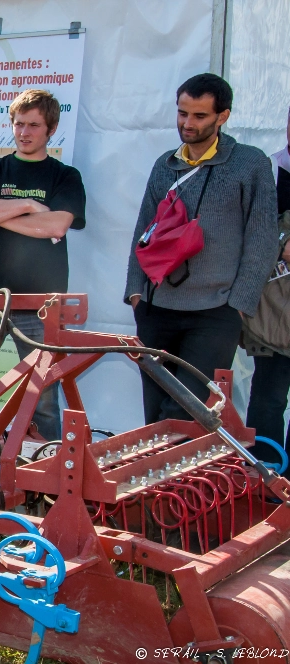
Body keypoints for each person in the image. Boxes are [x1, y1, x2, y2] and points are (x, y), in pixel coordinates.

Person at [125, 73, 278, 424]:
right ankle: (162, 480)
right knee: (155, 416)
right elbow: (143, 231)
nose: (187, 123)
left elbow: (263, 238)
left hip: (214, 311)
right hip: (156, 306)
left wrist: (238, 304)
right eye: (182, 113)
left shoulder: (250, 163)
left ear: (222, 116)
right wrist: (136, 292)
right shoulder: (165, 164)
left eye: (199, 116)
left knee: (185, 413)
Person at [0, 89, 86, 441]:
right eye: (19, 124)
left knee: (43, 398)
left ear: (50, 129)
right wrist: (26, 204)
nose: (24, 132)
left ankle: (40, 484)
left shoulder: (65, 176)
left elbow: (56, 226)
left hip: (40, 304)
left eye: (34, 125)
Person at [242, 107, 290, 469]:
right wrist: (282, 240)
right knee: (268, 398)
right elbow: (249, 228)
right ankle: (266, 478)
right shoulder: (271, 170)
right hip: (273, 313)